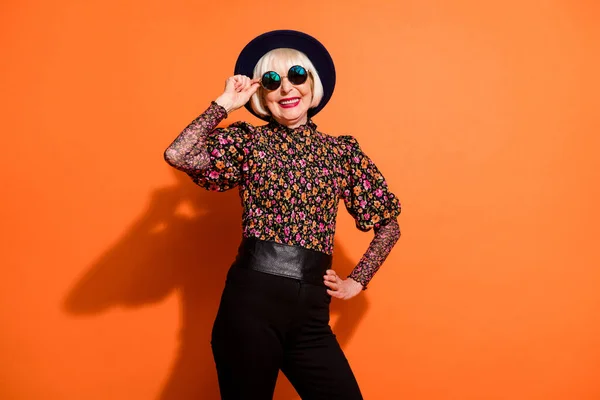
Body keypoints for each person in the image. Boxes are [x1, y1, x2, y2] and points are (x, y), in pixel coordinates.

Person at [163, 29, 401, 400]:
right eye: (272, 80)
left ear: (312, 84)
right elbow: (179, 155)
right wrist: (224, 103)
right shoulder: (248, 142)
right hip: (251, 309)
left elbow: (388, 225)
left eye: (297, 76)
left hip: (311, 318)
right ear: (262, 93)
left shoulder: (341, 152)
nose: (286, 88)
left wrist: (359, 280)